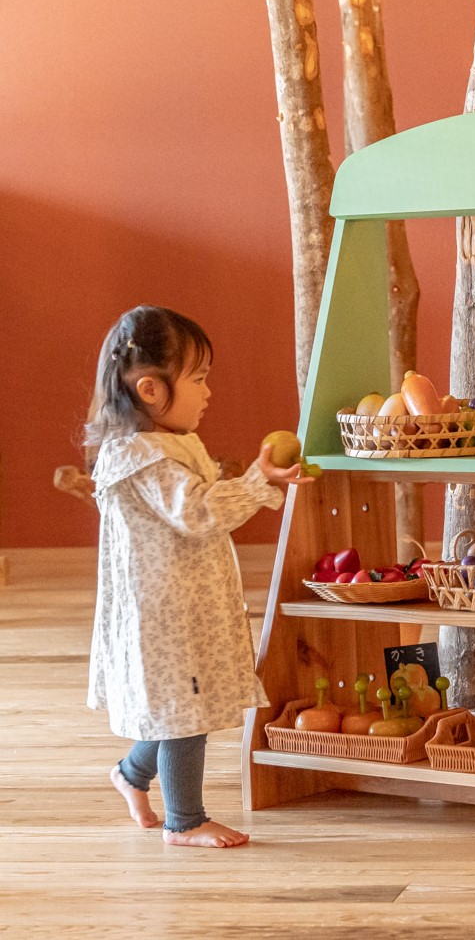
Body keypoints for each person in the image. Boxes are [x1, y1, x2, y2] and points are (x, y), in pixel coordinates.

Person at [84, 304, 311, 848]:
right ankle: (185, 821)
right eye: (199, 379)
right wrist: (257, 482)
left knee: (179, 707)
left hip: (182, 600)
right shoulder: (143, 457)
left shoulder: (162, 444)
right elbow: (197, 511)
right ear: (151, 390)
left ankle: (132, 773)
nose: (209, 392)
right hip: (162, 612)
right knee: (184, 714)